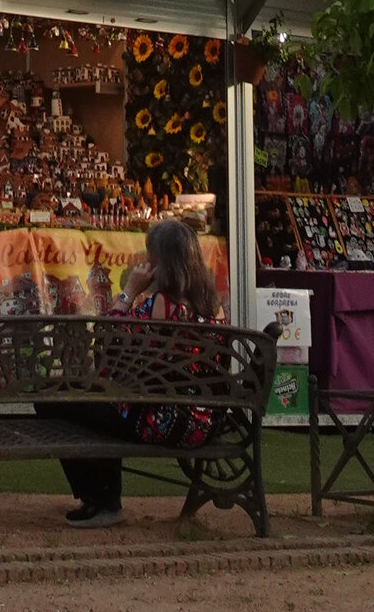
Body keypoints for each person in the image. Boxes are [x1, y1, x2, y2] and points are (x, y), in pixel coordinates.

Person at [55, 215, 218, 528]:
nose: (145, 261)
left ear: (161, 262)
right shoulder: (213, 305)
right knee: (93, 401)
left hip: (160, 421)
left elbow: (106, 338)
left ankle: (102, 500)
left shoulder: (161, 305)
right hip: (202, 421)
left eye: (150, 255)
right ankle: (100, 499)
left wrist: (129, 289)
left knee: (60, 399)